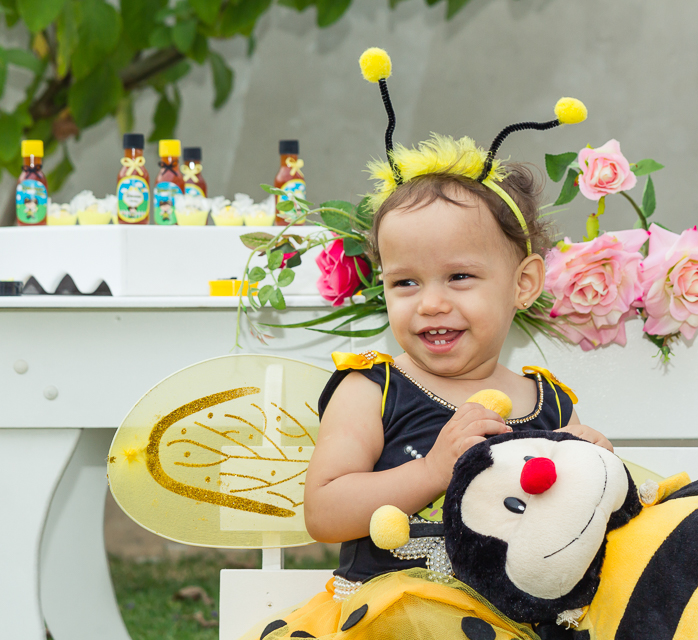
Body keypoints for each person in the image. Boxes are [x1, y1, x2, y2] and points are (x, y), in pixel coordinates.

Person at [247, 48, 596, 640]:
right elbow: (325, 513)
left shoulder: (548, 404)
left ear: (523, 284)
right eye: (405, 282)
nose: (430, 302)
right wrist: (434, 469)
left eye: (459, 277)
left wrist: (590, 465)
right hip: (392, 616)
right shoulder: (373, 388)